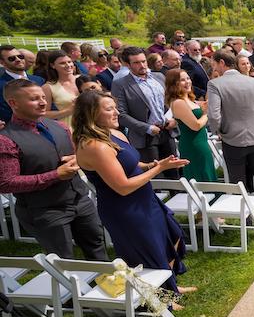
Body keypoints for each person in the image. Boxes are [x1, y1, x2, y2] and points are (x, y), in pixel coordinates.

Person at [73, 91, 193, 298]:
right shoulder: (95, 146)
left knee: (170, 236)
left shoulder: (114, 133)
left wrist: (149, 165)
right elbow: (123, 186)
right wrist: (158, 169)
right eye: (109, 109)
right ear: (91, 114)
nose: (116, 112)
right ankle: (161, 298)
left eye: (115, 107)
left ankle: (169, 285)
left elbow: (129, 162)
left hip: (145, 199)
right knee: (146, 251)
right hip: (124, 207)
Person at [0, 79, 107, 261]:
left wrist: (77, 159)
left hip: (80, 199)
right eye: (34, 99)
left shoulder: (60, 126)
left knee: (98, 249)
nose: (43, 102)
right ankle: (73, 290)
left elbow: (75, 154)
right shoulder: (6, 140)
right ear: (13, 103)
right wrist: (55, 175)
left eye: (43, 97)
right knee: (62, 260)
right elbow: (6, 183)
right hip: (44, 209)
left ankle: (109, 287)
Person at [206, 50, 254, 221]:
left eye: (214, 64)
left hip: (232, 138)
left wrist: (219, 131)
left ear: (222, 63)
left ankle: (247, 217)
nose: (214, 67)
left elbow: (214, 115)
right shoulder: (253, 82)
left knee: (238, 180)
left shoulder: (215, 84)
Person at [112, 47, 179, 178]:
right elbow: (121, 114)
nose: (142, 65)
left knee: (174, 172)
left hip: (166, 131)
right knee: (153, 175)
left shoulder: (158, 77)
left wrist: (173, 118)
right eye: (136, 63)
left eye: (143, 61)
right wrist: (147, 128)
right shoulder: (120, 84)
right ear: (127, 64)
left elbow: (169, 101)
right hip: (145, 136)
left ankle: (177, 197)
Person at [165, 69, 217, 182]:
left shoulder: (189, 99)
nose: (187, 82)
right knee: (201, 179)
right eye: (182, 80)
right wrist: (206, 113)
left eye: (188, 78)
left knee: (207, 175)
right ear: (174, 84)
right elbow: (196, 125)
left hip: (201, 143)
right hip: (193, 146)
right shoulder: (178, 102)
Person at [1, 46, 45, 123]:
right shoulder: (1, 85)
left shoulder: (39, 80)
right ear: (2, 62)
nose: (18, 60)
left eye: (20, 56)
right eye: (11, 58)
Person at [41, 50, 79, 129]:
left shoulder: (84, 79)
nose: (68, 65)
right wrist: (68, 110)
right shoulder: (48, 87)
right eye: (62, 63)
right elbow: (43, 114)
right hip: (70, 129)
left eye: (69, 62)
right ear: (53, 65)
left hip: (93, 126)